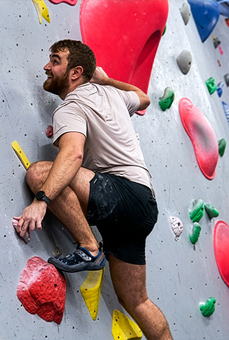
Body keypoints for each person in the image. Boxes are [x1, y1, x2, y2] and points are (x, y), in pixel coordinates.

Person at [13, 39, 172, 340]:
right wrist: (106, 79)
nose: (47, 66)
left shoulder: (70, 107)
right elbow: (143, 98)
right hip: (143, 205)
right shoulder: (112, 94)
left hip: (122, 193)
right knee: (135, 300)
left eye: (55, 61)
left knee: (39, 174)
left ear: (75, 72)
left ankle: (89, 247)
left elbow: (72, 155)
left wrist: (41, 201)